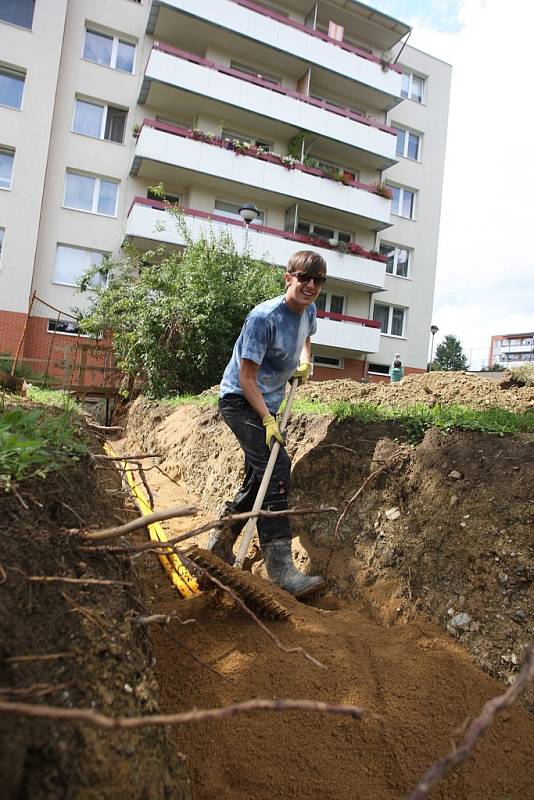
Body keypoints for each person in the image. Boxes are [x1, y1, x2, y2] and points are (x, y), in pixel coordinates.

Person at [207, 251, 327, 598]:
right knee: (276, 469)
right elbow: (246, 379)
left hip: (269, 403)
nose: (311, 285)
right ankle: (281, 570)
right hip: (241, 401)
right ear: (288, 277)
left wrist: (305, 363)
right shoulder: (263, 318)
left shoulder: (309, 311)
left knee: (259, 475)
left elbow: (307, 338)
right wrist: (267, 419)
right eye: (304, 277)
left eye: (318, 280)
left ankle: (221, 537)